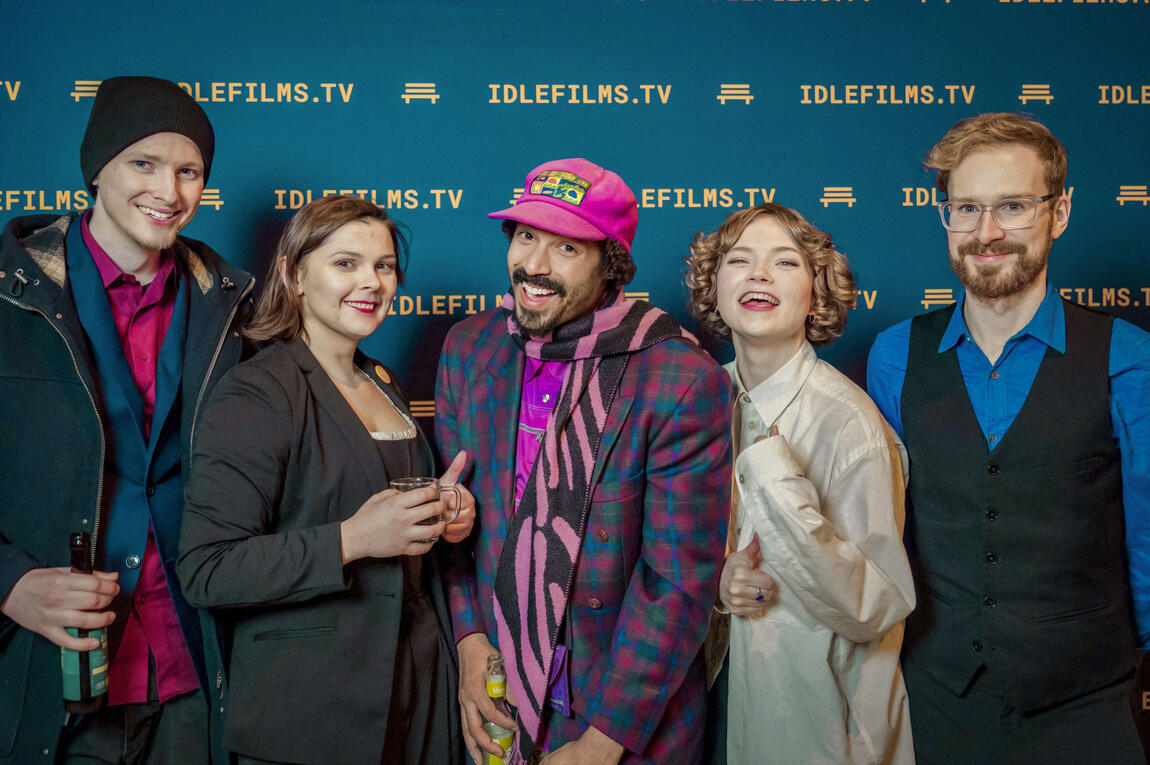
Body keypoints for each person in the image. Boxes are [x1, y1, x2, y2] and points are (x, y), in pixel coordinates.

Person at [867, 112, 1150, 763]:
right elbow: (877, 531)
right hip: (934, 698)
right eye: (966, 208)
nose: (986, 232)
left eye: (1013, 206)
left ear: (1060, 212)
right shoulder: (894, 356)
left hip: (1085, 705)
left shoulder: (1128, 358)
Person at [435, 158, 731, 763]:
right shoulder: (470, 348)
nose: (534, 266)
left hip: (622, 717)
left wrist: (603, 742)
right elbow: (452, 524)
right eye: (525, 237)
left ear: (610, 264)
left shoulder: (677, 376)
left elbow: (676, 585)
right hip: (500, 700)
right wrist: (467, 641)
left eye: (565, 247)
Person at [0, 75, 251, 764]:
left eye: (189, 170)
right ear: (96, 169)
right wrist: (9, 585)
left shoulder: (232, 307)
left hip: (192, 671)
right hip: (46, 672)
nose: (168, 192)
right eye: (144, 163)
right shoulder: (9, 294)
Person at [177, 194, 473, 764]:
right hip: (311, 715)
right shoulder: (258, 392)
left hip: (416, 693)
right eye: (345, 263)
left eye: (384, 265)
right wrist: (353, 539)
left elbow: (402, 528)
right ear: (295, 275)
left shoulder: (381, 380)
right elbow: (207, 570)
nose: (370, 281)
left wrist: (448, 515)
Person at [688, 203, 916, 764]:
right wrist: (719, 581)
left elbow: (873, 605)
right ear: (713, 288)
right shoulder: (695, 401)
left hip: (811, 719)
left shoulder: (849, 421)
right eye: (739, 260)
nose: (758, 274)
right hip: (704, 702)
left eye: (784, 262)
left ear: (816, 293)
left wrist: (772, 471)